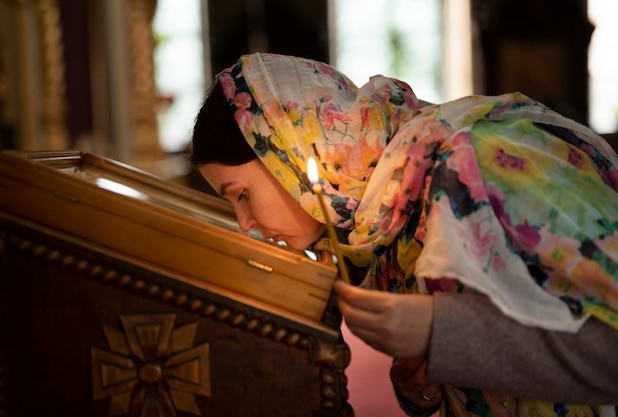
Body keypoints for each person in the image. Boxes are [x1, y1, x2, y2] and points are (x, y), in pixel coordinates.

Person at [190, 52, 618, 416]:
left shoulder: (473, 164)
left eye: (242, 194)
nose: (245, 224)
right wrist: (423, 384)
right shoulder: (370, 232)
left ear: (291, 148)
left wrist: (439, 332)